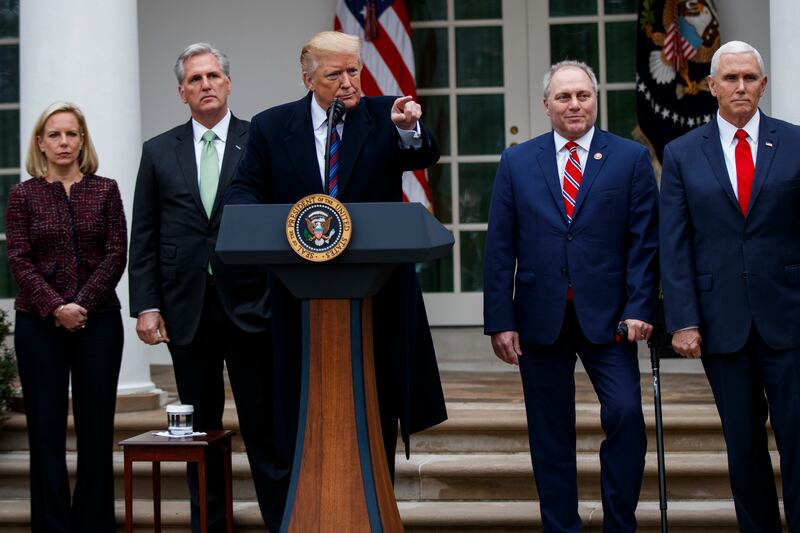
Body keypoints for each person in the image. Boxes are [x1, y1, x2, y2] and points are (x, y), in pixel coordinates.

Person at [223, 29, 447, 508]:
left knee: (376, 402)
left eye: (354, 71)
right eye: (335, 74)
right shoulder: (270, 126)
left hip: (377, 296)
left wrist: (408, 126)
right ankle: (307, 505)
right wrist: (255, 222)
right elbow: (245, 190)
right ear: (308, 79)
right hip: (299, 298)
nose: (348, 82)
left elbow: (423, 152)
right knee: (301, 406)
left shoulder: (383, 113)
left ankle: (372, 502)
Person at [483, 60, 659, 532]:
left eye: (582, 95)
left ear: (595, 100)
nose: (574, 104)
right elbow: (500, 246)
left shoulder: (629, 159)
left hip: (611, 319)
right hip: (540, 318)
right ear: (546, 106)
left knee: (625, 415)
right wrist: (500, 319)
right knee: (549, 434)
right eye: (563, 97)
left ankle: (619, 523)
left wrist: (641, 307)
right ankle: (561, 527)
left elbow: (645, 242)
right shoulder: (518, 161)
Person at [128, 43, 284, 531]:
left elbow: (281, 221)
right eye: (195, 79)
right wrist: (146, 306)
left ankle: (280, 517)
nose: (206, 85)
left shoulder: (260, 138)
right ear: (182, 92)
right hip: (185, 309)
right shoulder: (158, 150)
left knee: (264, 423)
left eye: (213, 76)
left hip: (251, 304)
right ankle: (211, 523)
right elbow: (146, 235)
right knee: (199, 429)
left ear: (229, 83)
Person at [660, 40, 800, 532]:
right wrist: (682, 320)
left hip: (790, 320)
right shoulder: (681, 154)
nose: (741, 87)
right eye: (731, 78)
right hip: (722, 325)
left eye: (750, 78)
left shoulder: (795, 142)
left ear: (763, 85)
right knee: (743, 447)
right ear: (712, 86)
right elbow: (674, 242)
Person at [6, 101, 127, 532]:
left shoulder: (106, 189)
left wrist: (82, 305)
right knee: (45, 432)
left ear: (82, 141)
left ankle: (94, 523)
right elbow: (18, 259)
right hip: (38, 325)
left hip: (99, 323)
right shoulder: (23, 195)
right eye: (54, 134)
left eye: (71, 134)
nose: (63, 142)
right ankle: (53, 525)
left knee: (97, 432)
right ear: (40, 142)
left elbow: (116, 255)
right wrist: (56, 307)